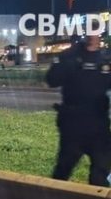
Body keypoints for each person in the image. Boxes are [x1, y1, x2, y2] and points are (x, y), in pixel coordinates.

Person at [46, 34, 111, 186]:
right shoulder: (70, 56)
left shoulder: (105, 59)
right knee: (62, 172)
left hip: (99, 126)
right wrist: (68, 60)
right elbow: (52, 80)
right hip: (73, 126)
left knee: (101, 174)